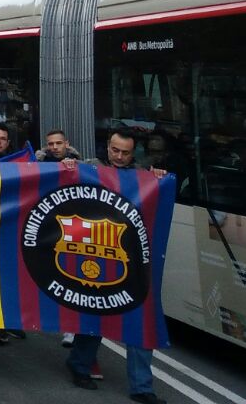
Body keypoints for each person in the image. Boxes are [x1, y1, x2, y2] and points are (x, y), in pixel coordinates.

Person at [62, 130, 167, 404]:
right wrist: (66, 168)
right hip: (95, 256)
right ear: (107, 147)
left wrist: (158, 181)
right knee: (94, 317)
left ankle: (142, 388)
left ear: (134, 153)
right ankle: (79, 365)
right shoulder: (89, 168)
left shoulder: (143, 176)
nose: (119, 157)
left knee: (140, 321)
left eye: (125, 152)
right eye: (115, 150)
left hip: (131, 260)